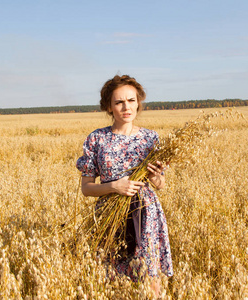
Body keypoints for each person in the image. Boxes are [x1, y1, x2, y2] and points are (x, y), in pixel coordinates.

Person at [76, 75, 173, 295]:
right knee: (111, 277)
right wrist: (114, 187)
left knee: (149, 280)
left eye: (131, 100)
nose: (126, 107)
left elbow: (160, 184)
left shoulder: (150, 138)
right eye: (119, 102)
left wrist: (156, 176)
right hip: (110, 216)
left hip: (145, 214)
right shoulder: (97, 139)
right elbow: (87, 188)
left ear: (138, 102)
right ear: (109, 107)